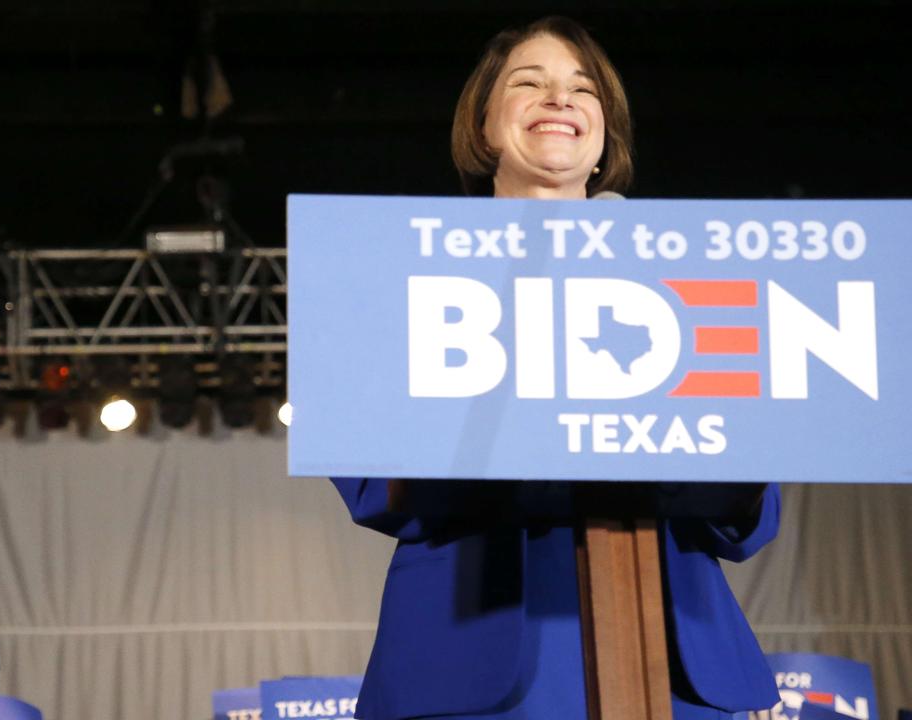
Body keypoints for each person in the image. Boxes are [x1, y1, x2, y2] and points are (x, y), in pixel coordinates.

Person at [332, 16, 781, 720]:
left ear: (606, 136)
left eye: (582, 89)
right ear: (483, 129)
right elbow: (368, 482)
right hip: (478, 668)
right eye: (528, 83)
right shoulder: (408, 275)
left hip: (673, 666)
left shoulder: (688, 278)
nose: (559, 98)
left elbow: (752, 517)